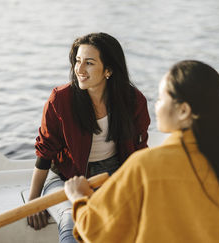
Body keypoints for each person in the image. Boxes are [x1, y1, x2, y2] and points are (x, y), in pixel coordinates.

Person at [64, 60, 219, 243]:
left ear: (184, 110)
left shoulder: (144, 165)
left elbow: (96, 231)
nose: (155, 106)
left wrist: (80, 197)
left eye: (160, 98)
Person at [27, 32, 150, 243]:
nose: (79, 70)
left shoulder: (132, 100)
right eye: (77, 61)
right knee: (72, 221)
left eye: (89, 63)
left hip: (113, 175)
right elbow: (45, 153)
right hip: (66, 177)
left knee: (131, 221)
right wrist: (33, 202)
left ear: (109, 70)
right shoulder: (61, 99)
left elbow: (139, 153)